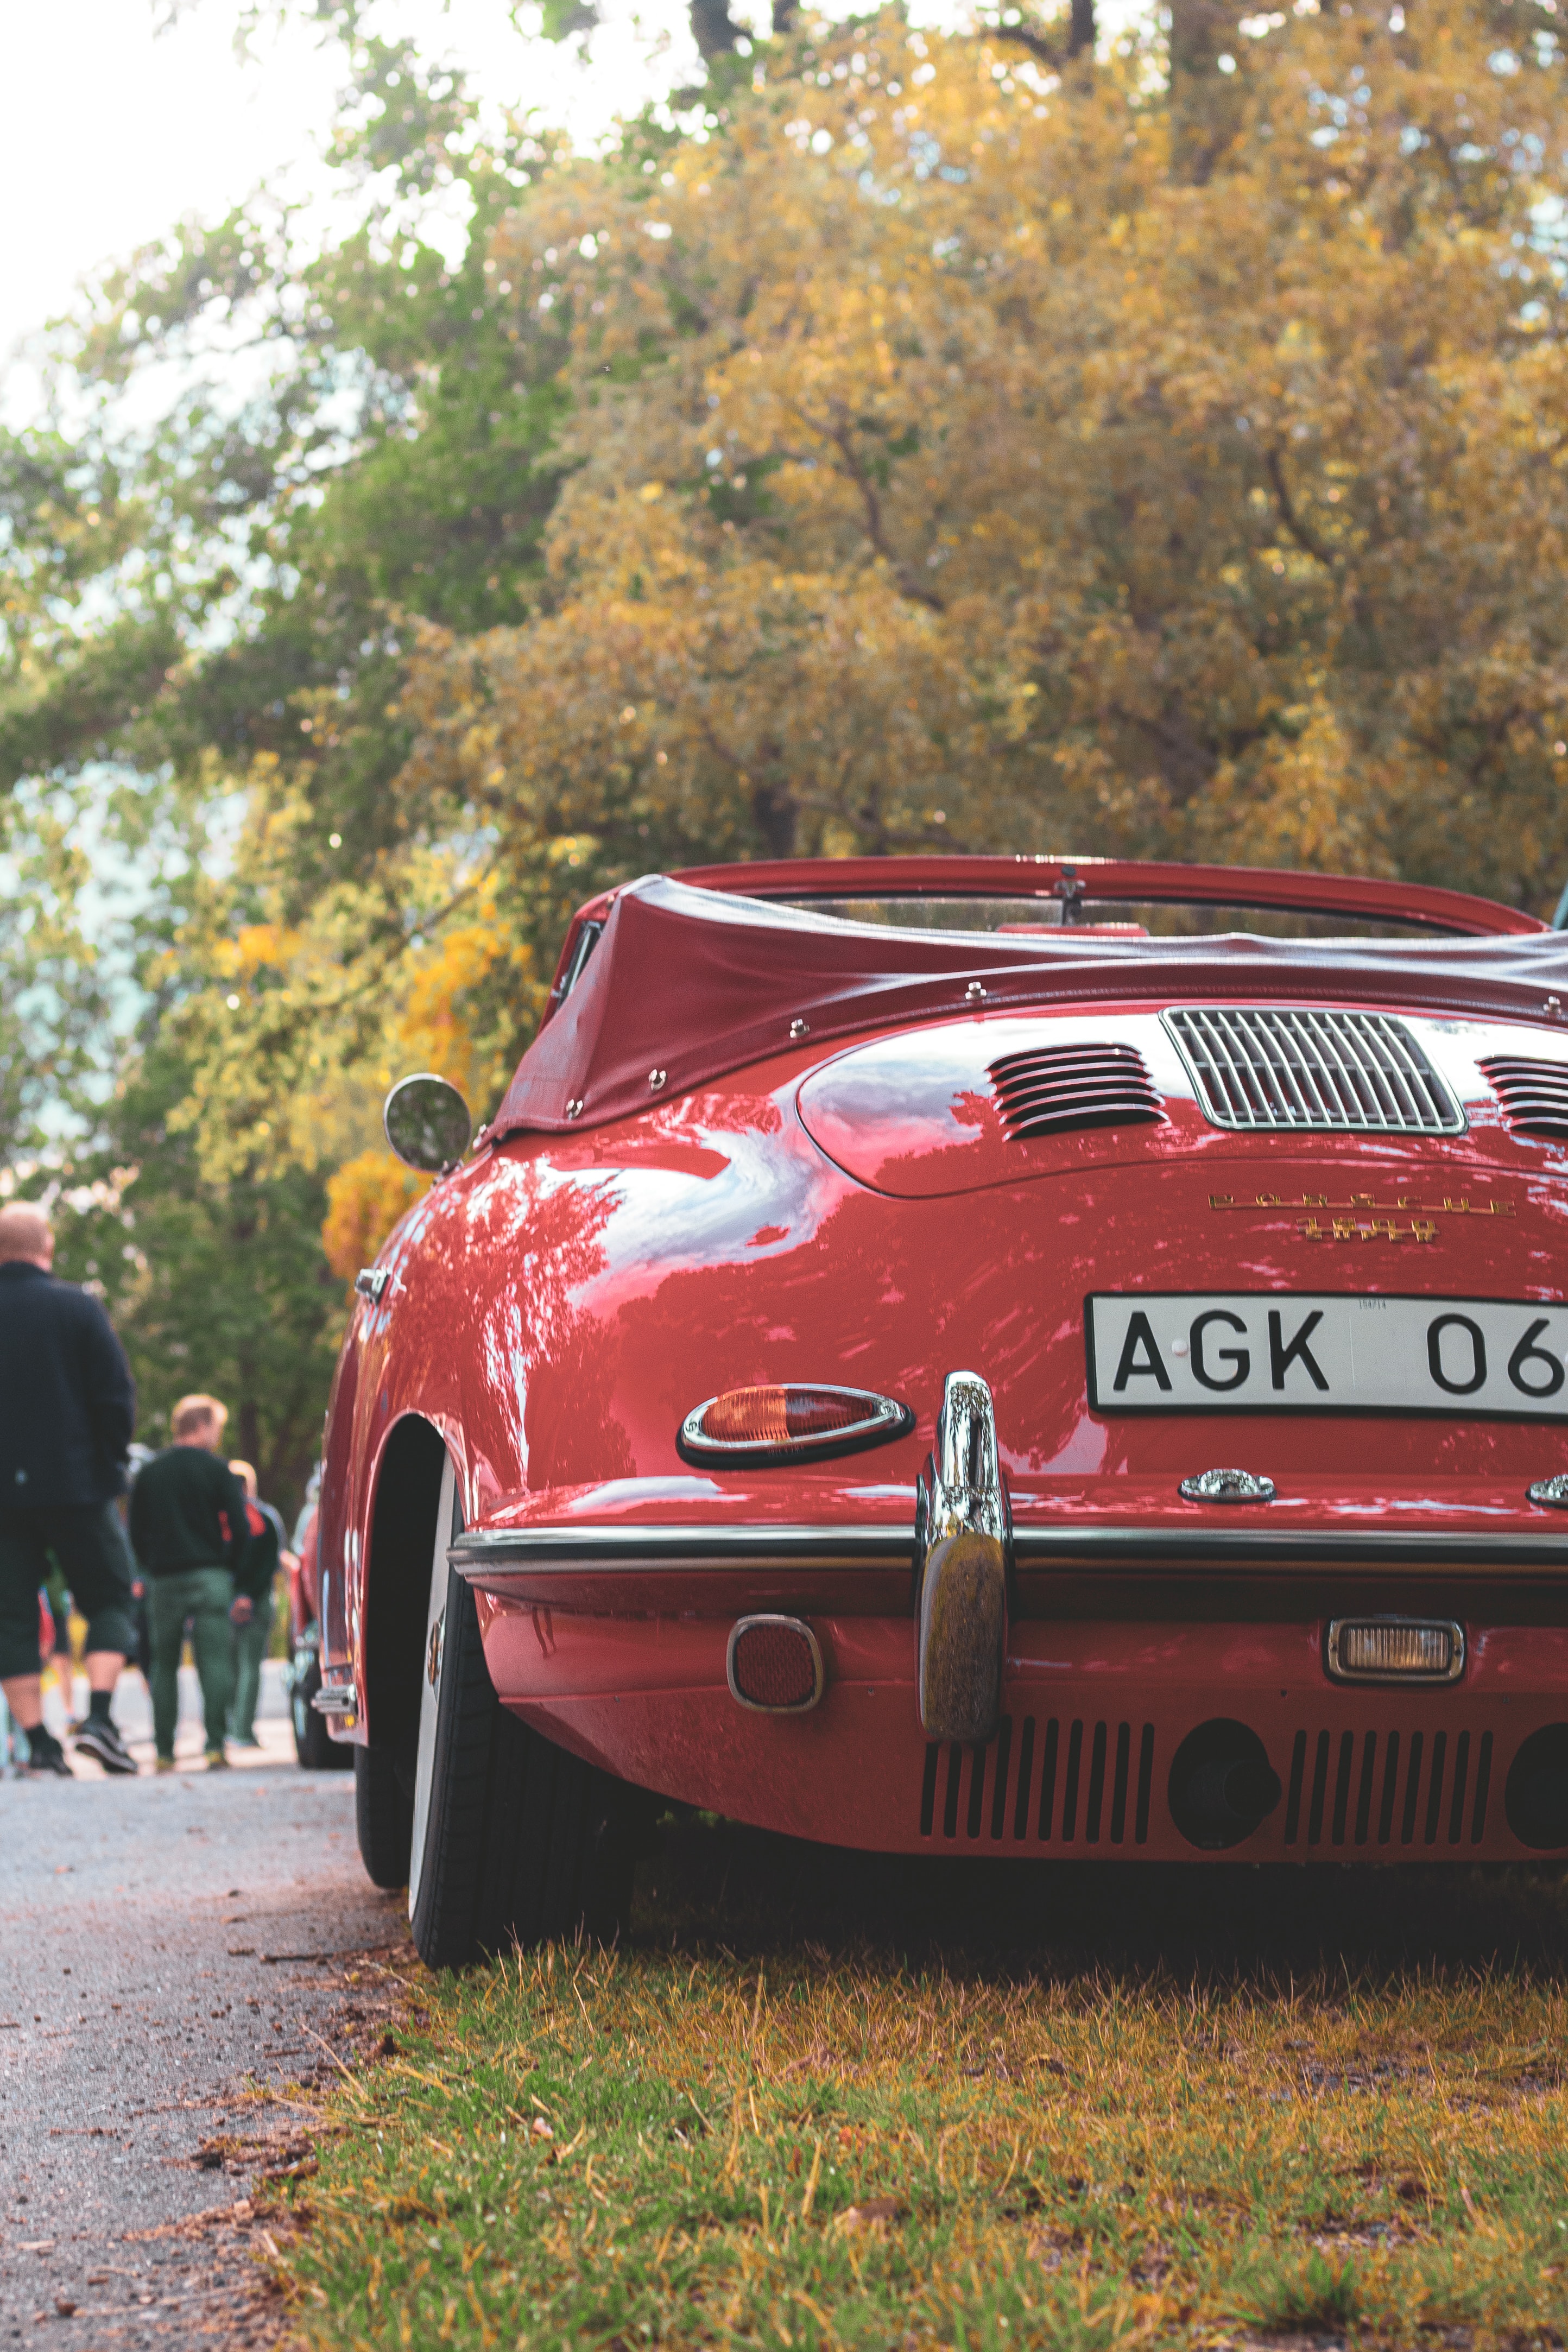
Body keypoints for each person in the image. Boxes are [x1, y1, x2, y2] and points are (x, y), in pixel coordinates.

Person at [0, 1200, 138, 1776]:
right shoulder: (77, 1307)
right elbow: (115, 1398)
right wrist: (108, 1466)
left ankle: (39, 1744)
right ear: (46, 1249)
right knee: (109, 1598)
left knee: (10, 1618)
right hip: (78, 1485)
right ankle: (100, 1719)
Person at [129, 1395, 251, 1771]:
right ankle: (215, 1745)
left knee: (163, 1664)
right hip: (210, 1575)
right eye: (216, 1427)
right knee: (214, 1661)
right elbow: (241, 1527)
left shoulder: (149, 1473)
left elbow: (134, 1529)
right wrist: (234, 1572)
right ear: (201, 1426)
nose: (218, 1435)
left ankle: (164, 1752)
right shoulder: (219, 1471)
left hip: (164, 1579)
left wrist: (149, 1567)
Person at [226, 1460, 293, 1748]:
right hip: (258, 1600)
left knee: (227, 1666)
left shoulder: (221, 1518)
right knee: (250, 1665)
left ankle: (229, 1727)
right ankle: (242, 1730)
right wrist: (249, 1595)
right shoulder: (265, 1517)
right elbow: (270, 1562)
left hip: (227, 1603)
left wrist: (234, 1595)